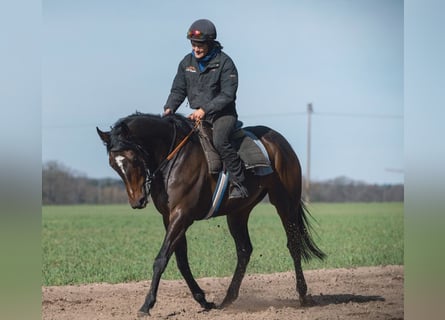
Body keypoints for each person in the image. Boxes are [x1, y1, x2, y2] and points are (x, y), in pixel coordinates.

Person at [163, 19, 248, 199]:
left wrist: (205, 110)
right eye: (193, 44)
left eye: (200, 45)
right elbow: (178, 90)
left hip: (223, 115)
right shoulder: (186, 62)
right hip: (197, 116)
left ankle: (239, 183)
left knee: (219, 140)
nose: (196, 49)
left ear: (210, 43)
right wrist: (169, 108)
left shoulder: (226, 63)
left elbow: (227, 95)